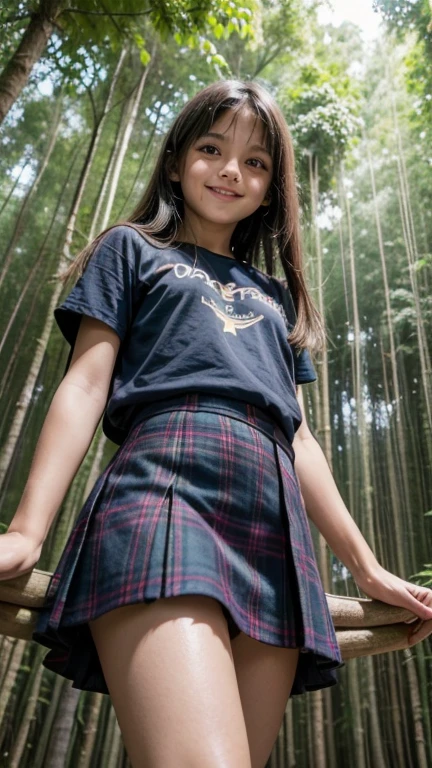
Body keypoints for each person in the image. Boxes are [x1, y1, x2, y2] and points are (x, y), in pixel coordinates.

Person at [2, 79, 432, 768]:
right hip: (164, 487)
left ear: (270, 187)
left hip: (273, 522)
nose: (232, 170)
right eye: (212, 148)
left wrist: (369, 567)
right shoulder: (130, 249)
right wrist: (26, 534)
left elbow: (297, 437)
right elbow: (84, 386)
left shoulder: (274, 296)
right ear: (176, 161)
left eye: (256, 162)